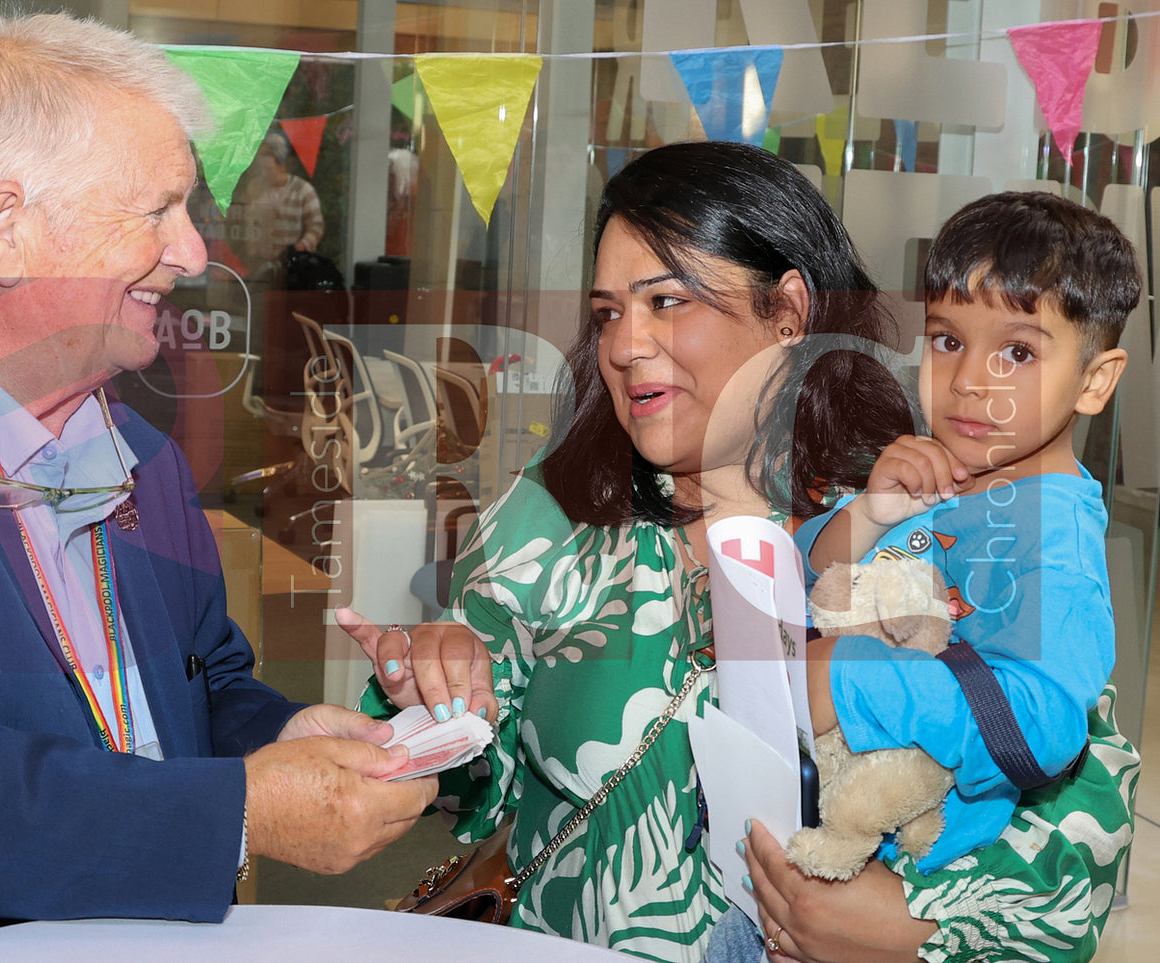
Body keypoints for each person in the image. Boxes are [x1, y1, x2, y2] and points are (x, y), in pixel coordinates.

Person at [0, 13, 435, 963]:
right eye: (156, 211)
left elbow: (202, 683)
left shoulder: (139, 451)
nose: (192, 253)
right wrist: (242, 811)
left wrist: (288, 733)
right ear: (7, 229)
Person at [342, 144, 1138, 963]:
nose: (625, 344)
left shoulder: (919, 495)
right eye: (608, 312)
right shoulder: (554, 517)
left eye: (666, 301)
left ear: (787, 312)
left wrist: (914, 928)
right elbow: (464, 781)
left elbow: (1082, 813)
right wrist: (428, 695)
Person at [711, 190, 1139, 960]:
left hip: (923, 888)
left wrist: (848, 676)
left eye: (1017, 352)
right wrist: (871, 513)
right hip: (829, 848)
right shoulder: (942, 475)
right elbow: (805, 577)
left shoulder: (1052, 536)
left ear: (1094, 381)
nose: (969, 379)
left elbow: (1041, 723)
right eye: (947, 340)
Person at [231, 130, 326, 285]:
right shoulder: (254, 187)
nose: (264, 174)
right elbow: (240, 218)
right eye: (261, 169)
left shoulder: (303, 190)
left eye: (268, 169)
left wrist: (301, 246)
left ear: (282, 165)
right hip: (257, 267)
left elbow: (316, 227)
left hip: (290, 269)